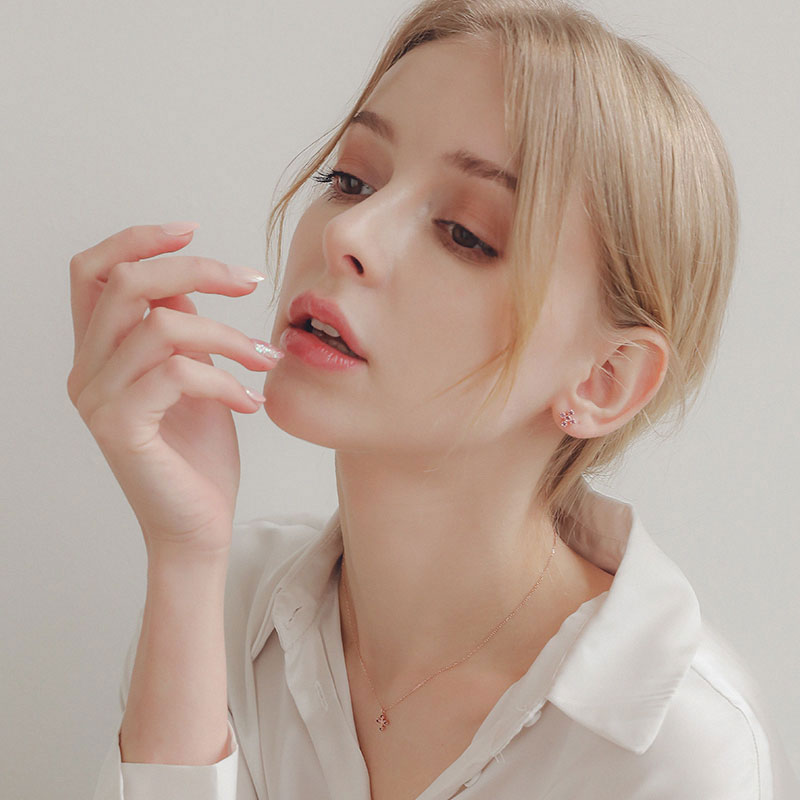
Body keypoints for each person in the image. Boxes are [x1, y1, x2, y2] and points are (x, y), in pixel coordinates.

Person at [74, 0, 798, 797]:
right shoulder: (225, 602)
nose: (348, 234)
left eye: (464, 233)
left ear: (604, 380)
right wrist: (185, 558)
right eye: (351, 180)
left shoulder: (677, 749)